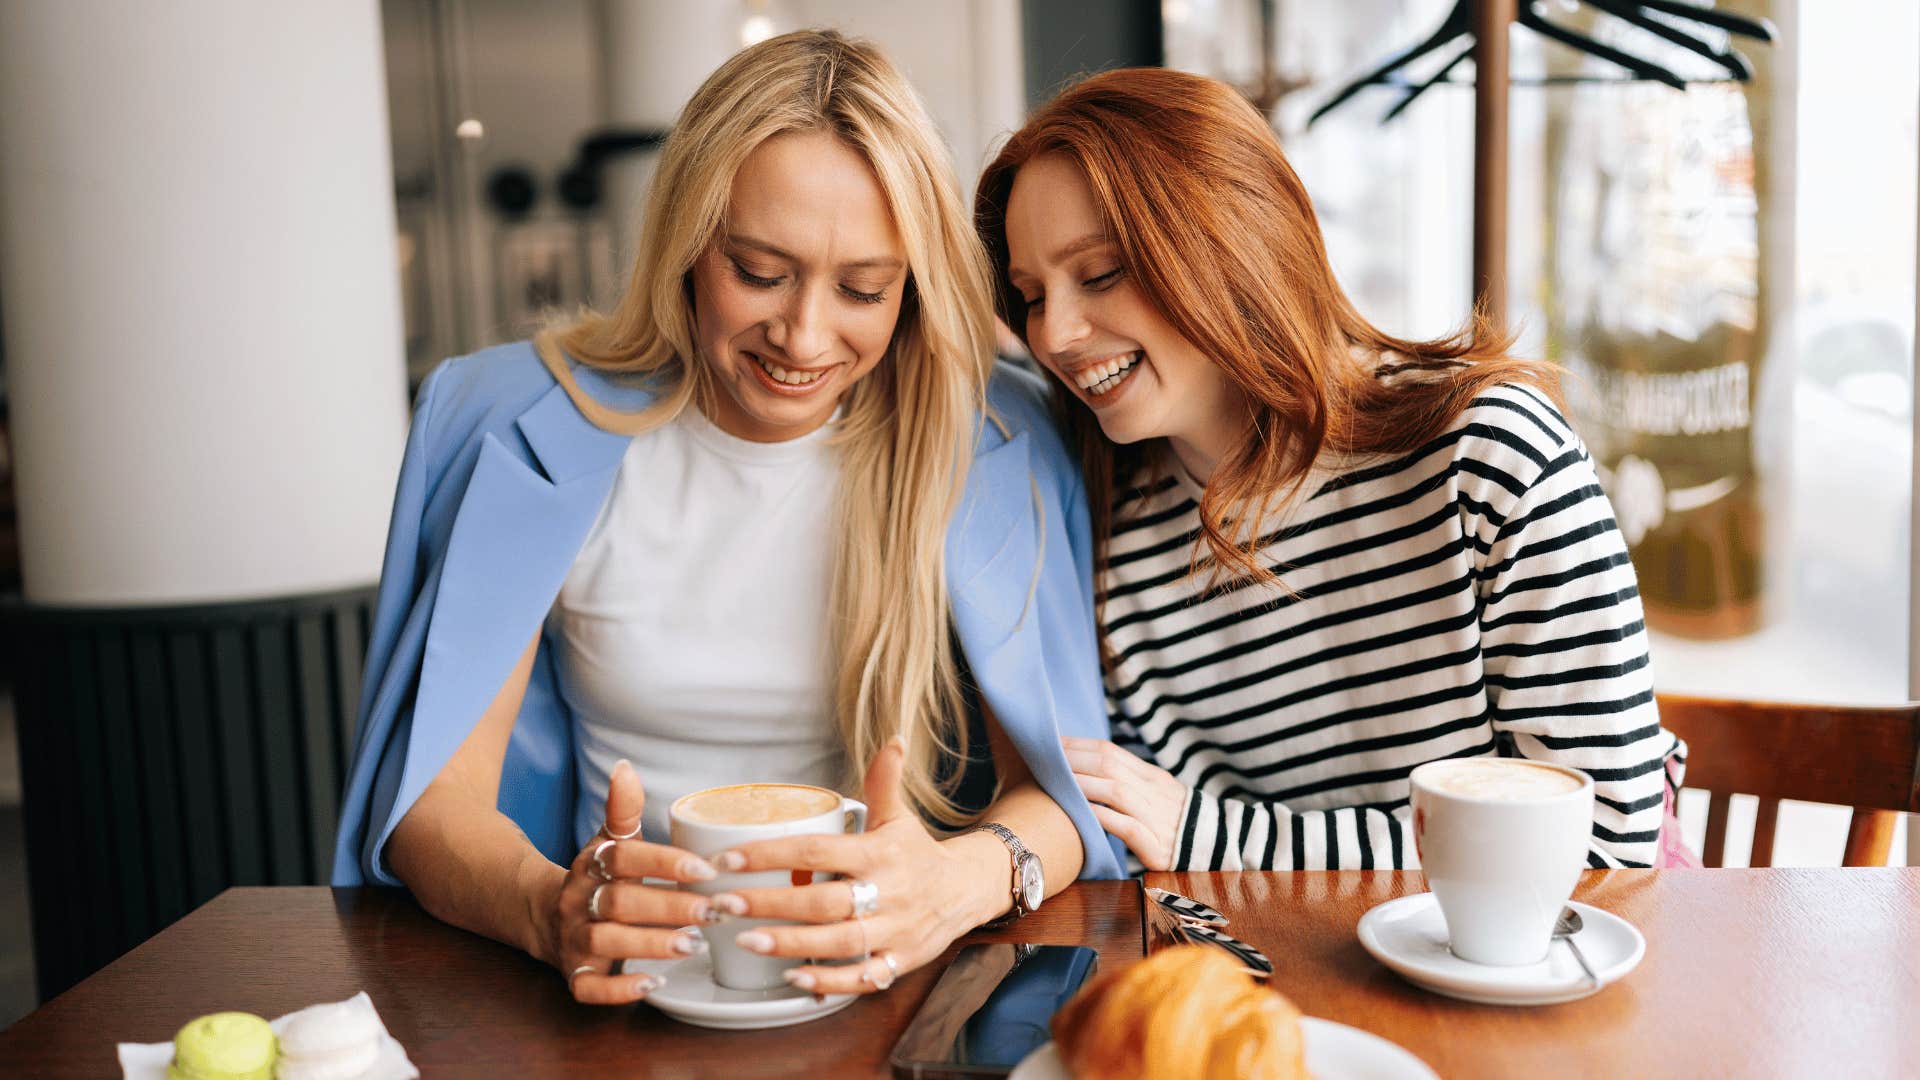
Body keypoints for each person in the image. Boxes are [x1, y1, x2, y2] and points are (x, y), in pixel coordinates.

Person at [333, 29, 1124, 1008]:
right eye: (759, 271)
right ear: (686, 244)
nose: (803, 336)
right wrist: (551, 908)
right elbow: (429, 806)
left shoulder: (993, 437)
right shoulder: (509, 424)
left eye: (864, 290)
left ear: (911, 289)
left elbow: (1069, 788)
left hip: (872, 991)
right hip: (609, 1001)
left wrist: (954, 886)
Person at [975, 67, 1687, 874]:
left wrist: (1219, 837)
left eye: (1099, 273)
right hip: (1277, 978)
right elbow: (1141, 852)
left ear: (1232, 244)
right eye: (1032, 295)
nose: (1056, 334)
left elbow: (1608, 848)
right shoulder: (1108, 524)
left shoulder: (1489, 457)